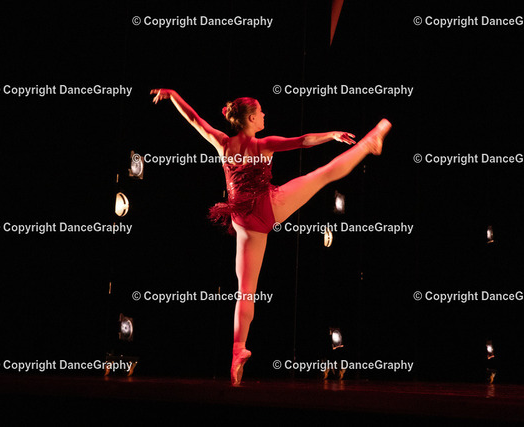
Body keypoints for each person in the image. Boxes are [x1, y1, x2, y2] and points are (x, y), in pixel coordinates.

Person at [150, 88, 391, 386]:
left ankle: (238, 350)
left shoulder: (222, 143)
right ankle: (369, 143)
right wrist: (331, 135)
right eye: (261, 112)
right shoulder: (263, 145)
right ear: (251, 118)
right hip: (267, 207)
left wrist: (173, 95)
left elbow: (194, 119)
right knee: (323, 174)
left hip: (243, 220)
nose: (264, 115)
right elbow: (304, 141)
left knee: (245, 291)